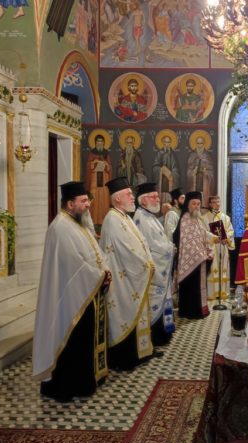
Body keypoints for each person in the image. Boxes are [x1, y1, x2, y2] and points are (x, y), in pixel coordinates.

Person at [33, 181, 111, 402]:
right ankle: (65, 386)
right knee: (71, 342)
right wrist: (99, 275)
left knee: (82, 341)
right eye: (83, 201)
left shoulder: (78, 224)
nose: (88, 205)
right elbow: (74, 265)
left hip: (83, 294)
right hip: (68, 298)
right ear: (70, 204)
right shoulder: (60, 227)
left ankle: (83, 383)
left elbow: (93, 254)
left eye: (87, 200)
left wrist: (104, 270)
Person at [99, 177, 156, 370]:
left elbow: (141, 243)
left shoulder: (124, 217)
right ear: (117, 199)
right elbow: (126, 251)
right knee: (124, 315)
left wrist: (148, 261)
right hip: (122, 280)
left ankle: (141, 352)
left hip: (132, 277)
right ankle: (125, 359)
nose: (133, 197)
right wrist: (146, 265)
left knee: (136, 313)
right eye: (129, 194)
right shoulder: (112, 220)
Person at [133, 182, 176, 345]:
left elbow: (159, 240)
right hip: (154, 268)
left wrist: (168, 246)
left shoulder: (149, 216)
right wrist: (169, 249)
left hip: (161, 265)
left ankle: (164, 334)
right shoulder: (141, 218)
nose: (158, 199)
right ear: (143, 200)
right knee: (154, 301)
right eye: (154, 197)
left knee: (163, 300)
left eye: (157, 196)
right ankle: (156, 338)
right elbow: (149, 246)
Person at [174, 191, 213, 318]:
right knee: (190, 288)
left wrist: (209, 249)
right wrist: (201, 255)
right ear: (188, 205)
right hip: (190, 261)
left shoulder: (197, 220)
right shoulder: (185, 219)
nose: (196, 206)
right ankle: (189, 312)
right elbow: (187, 242)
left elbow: (203, 236)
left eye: (198, 204)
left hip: (199, 259)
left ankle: (199, 310)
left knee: (197, 287)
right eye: (194, 203)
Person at [203, 196, 235, 302]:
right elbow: (203, 232)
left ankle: (223, 292)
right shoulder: (204, 218)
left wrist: (227, 238)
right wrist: (213, 237)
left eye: (218, 202)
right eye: (214, 202)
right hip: (212, 247)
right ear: (210, 204)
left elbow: (230, 231)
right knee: (213, 269)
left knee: (223, 268)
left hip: (223, 246)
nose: (217, 204)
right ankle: (212, 293)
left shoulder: (226, 218)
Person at [84, 134, 112, 225]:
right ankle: (93, 221)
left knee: (104, 198)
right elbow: (88, 165)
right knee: (94, 198)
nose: (100, 143)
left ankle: (104, 221)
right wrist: (93, 162)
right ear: (95, 143)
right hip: (94, 179)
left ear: (104, 143)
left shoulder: (106, 153)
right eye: (98, 142)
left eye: (101, 142)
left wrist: (106, 165)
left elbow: (110, 167)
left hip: (104, 179)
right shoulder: (92, 153)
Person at [186, 134, 214, 205]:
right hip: (194, 181)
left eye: (201, 143)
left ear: (203, 144)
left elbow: (211, 170)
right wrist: (192, 172)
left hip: (204, 181)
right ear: (196, 144)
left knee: (203, 201)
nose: (199, 145)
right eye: (198, 143)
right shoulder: (192, 155)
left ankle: (204, 205)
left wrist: (206, 172)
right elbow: (189, 169)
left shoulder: (207, 155)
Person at [152, 133, 180, 201]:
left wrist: (172, 173)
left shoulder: (172, 154)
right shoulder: (159, 153)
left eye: (168, 142)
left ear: (170, 143)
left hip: (169, 181)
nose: (166, 144)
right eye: (165, 142)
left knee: (169, 198)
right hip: (161, 179)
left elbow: (175, 167)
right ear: (163, 142)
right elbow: (155, 166)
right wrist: (161, 170)